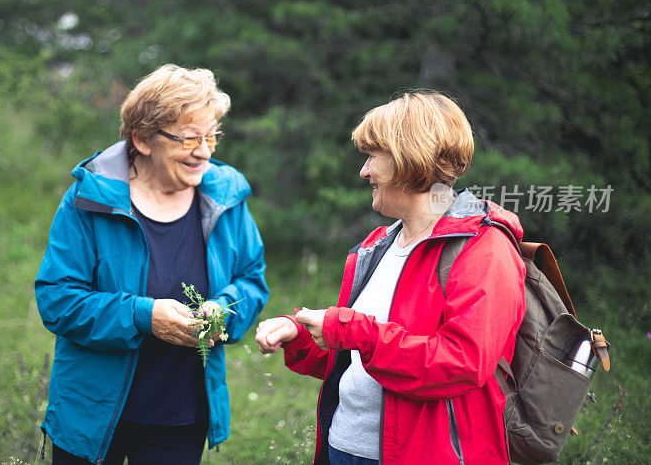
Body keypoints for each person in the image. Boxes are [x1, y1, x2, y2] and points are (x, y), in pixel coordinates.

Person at [255, 91, 526, 464]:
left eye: (373, 156)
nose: (364, 171)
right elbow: (359, 358)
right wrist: (300, 335)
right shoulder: (377, 245)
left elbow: (460, 364)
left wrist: (351, 329)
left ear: (409, 158)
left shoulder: (485, 248)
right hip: (343, 448)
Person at [35, 64, 269, 464]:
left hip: (180, 416)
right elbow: (58, 300)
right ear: (142, 139)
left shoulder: (226, 198)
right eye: (190, 138)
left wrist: (222, 310)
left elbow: (251, 281)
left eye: (212, 135)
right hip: (92, 412)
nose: (205, 151)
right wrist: (143, 316)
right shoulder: (90, 199)